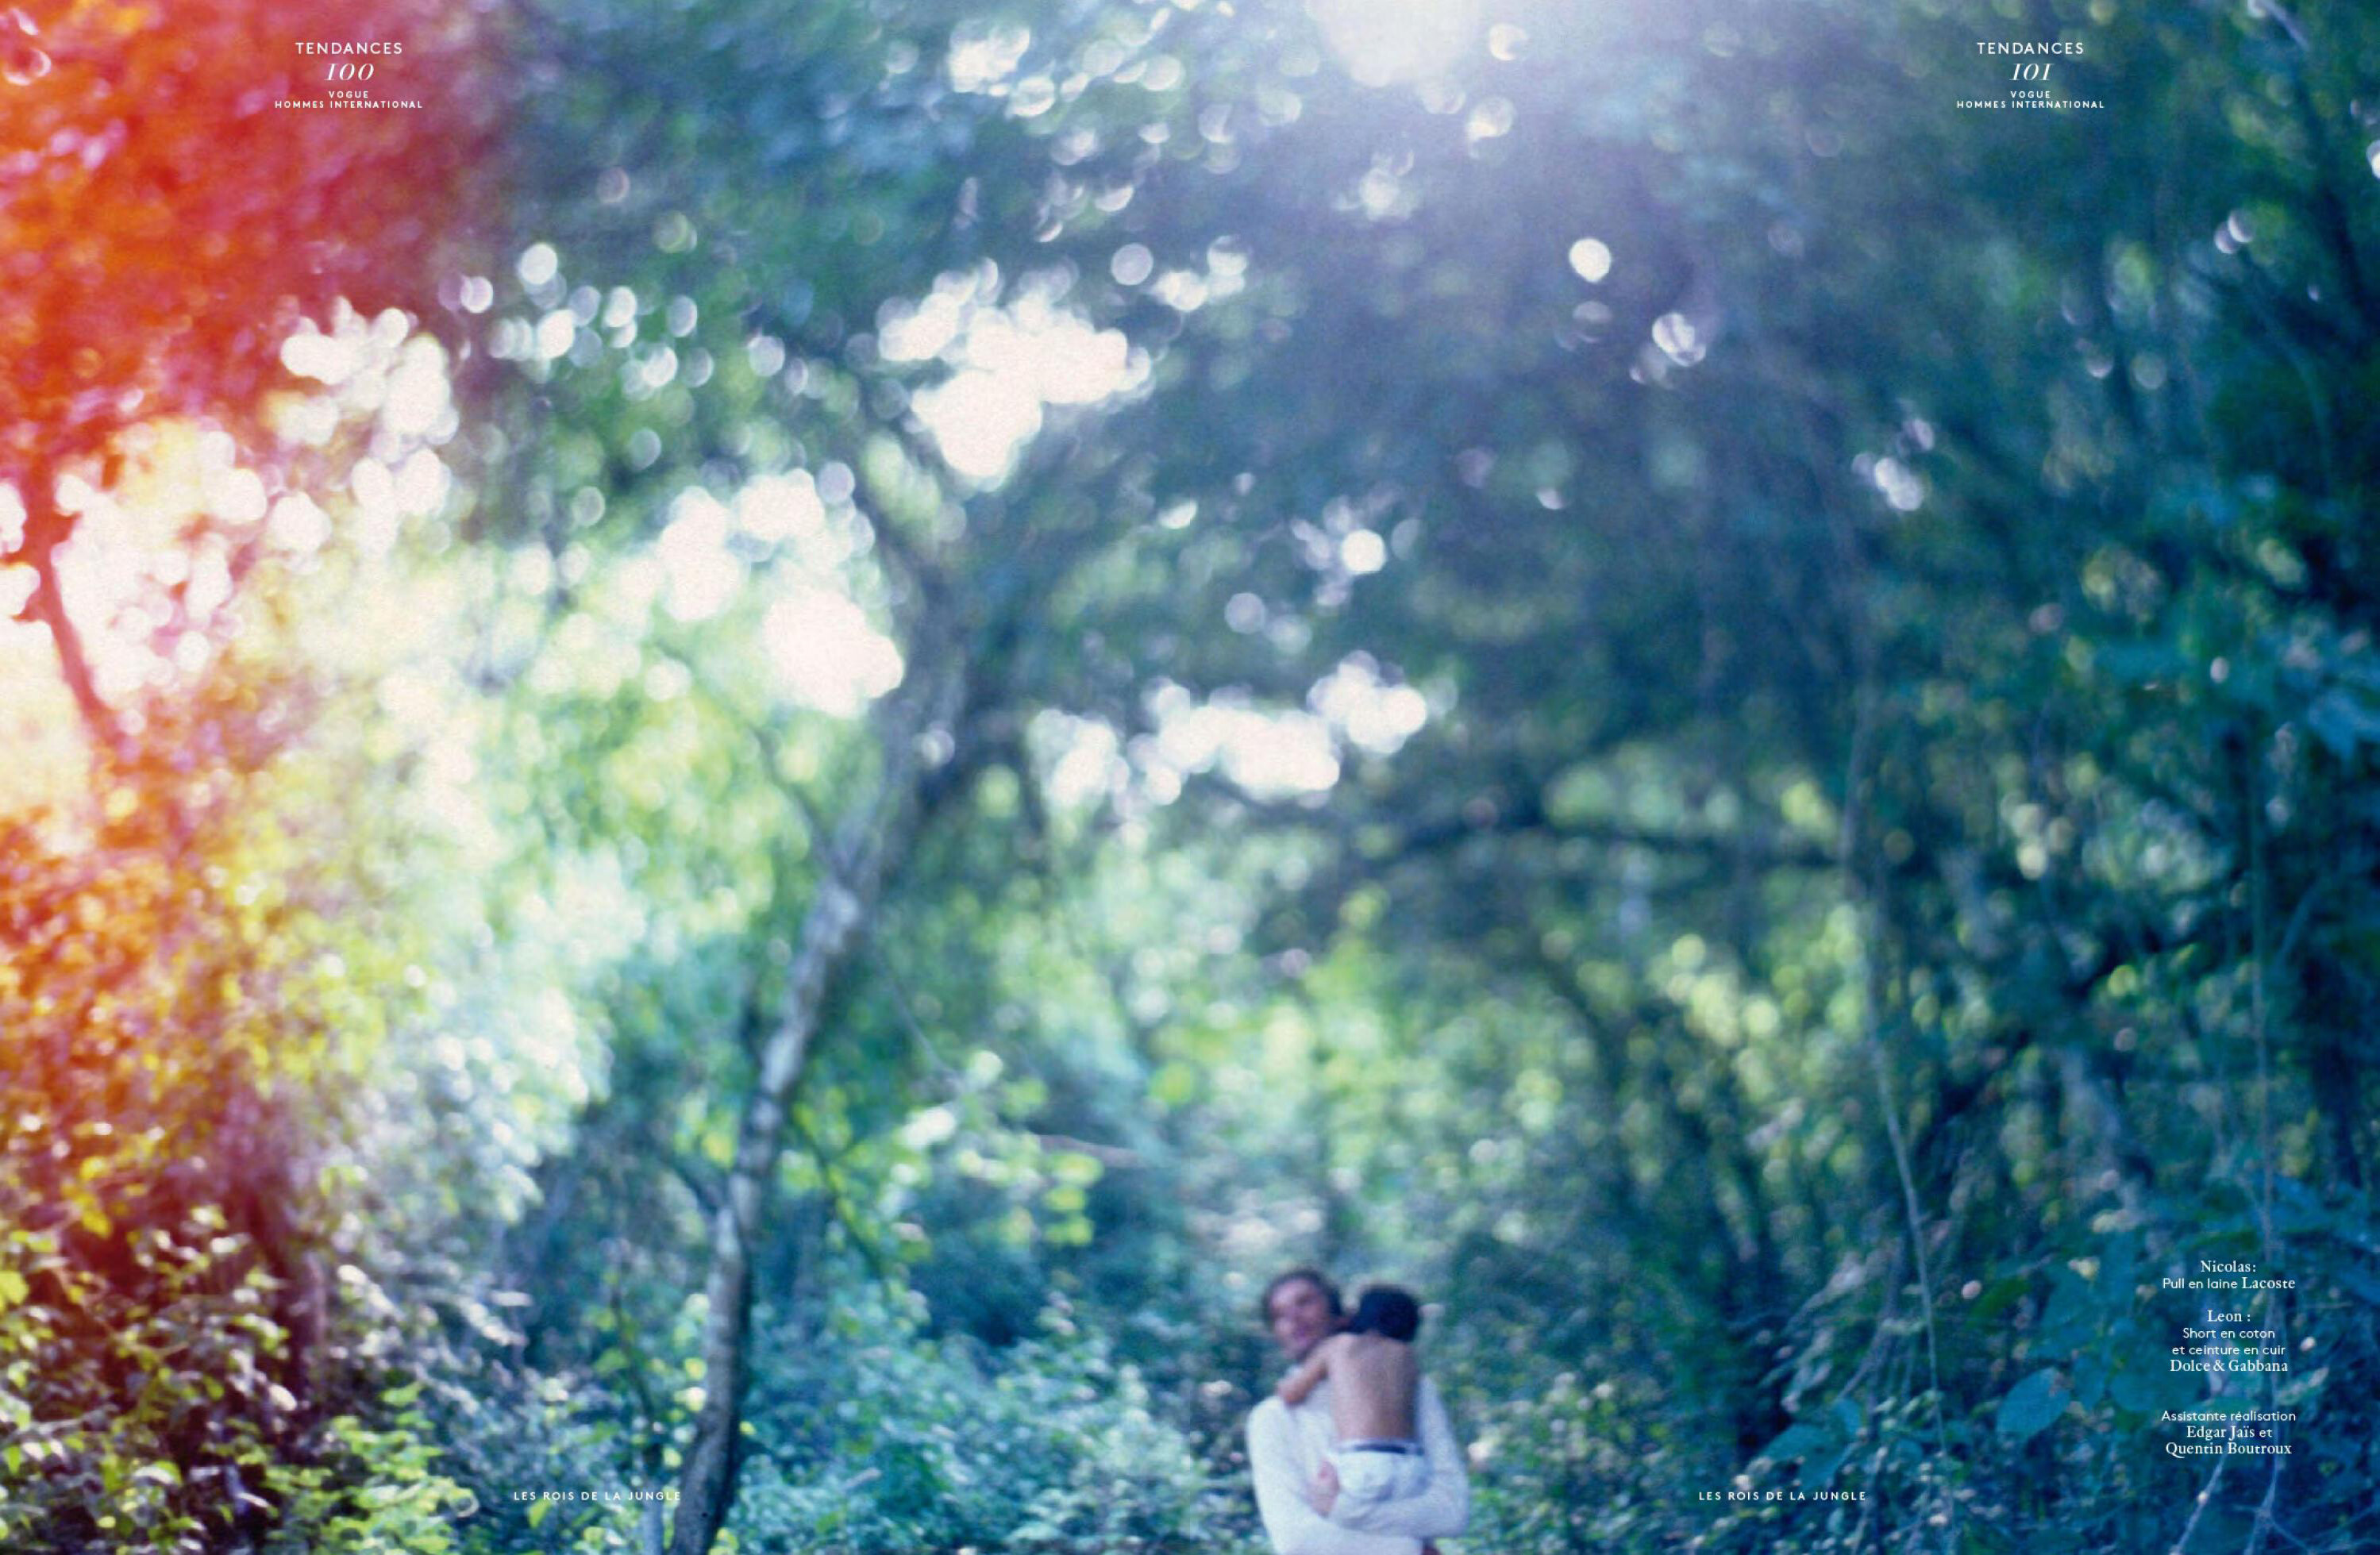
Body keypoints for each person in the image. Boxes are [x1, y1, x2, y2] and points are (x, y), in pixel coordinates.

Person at [1246, 1268, 1469, 1555]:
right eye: (1279, 1315)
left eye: (1305, 1302)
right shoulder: (1273, 1417)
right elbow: (1297, 1540)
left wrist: (1344, 1511)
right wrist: (1413, 1547)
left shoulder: (1414, 1387)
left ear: (1343, 1316)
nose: (1293, 1318)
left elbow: (1451, 1512)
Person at [1274, 1284, 1432, 1517]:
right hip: (1411, 1464)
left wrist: (1283, 1386)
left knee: (1323, 1508)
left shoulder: (1340, 1345)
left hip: (1362, 1460)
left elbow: (1292, 1394)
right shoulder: (1407, 1356)